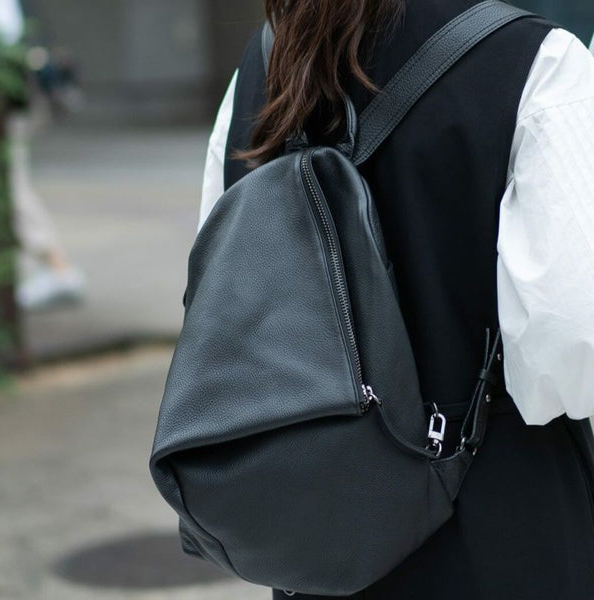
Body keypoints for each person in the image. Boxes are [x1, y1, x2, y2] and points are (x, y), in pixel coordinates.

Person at [197, 0, 594, 598]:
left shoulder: (261, 64)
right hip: (500, 522)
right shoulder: (539, 61)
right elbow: (572, 344)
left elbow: (219, 297)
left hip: (318, 531)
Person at [0, 0, 85, 311]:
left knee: (10, 186)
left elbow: (6, 46)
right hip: (14, 101)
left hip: (7, 104)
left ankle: (57, 267)